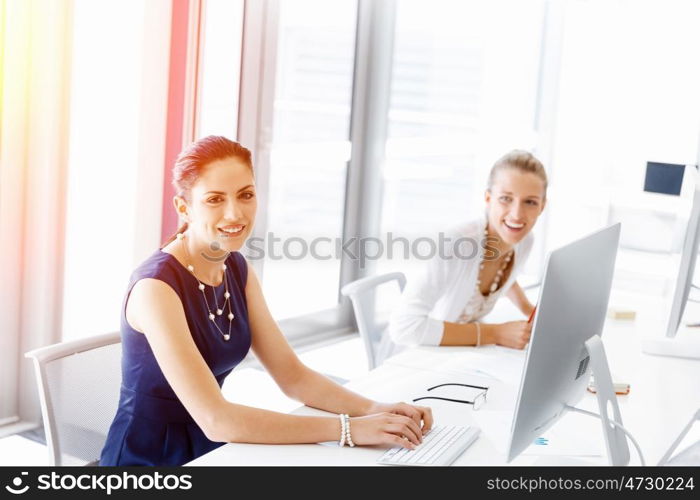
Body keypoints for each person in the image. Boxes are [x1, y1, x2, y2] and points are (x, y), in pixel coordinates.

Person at [99, 136, 432, 466]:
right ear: (184, 207)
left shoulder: (236, 269)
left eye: (245, 195)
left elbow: (294, 377)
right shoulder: (156, 287)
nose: (235, 213)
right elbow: (218, 420)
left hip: (213, 448)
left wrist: (375, 410)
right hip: (147, 459)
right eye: (215, 199)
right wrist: (348, 429)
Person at [388, 150, 547, 350]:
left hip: (461, 354)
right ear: (488, 199)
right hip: (415, 353)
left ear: (542, 206)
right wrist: (496, 333)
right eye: (506, 198)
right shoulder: (458, 244)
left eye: (530, 202)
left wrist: (529, 311)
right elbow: (404, 328)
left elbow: (504, 273)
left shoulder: (524, 241)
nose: (517, 214)